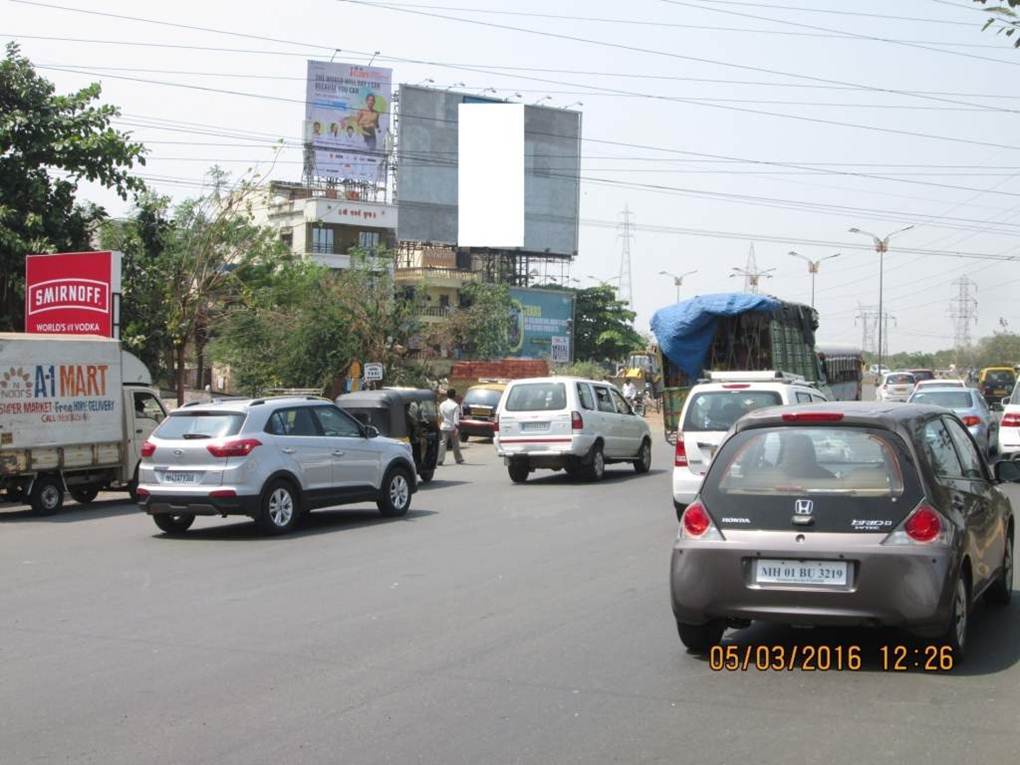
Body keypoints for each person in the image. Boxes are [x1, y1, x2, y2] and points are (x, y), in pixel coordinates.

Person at [439, 388, 464, 465]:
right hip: (452, 427)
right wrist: (456, 428)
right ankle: (458, 459)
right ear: (454, 396)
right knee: (455, 444)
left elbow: (440, 415)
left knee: (442, 444)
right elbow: (456, 418)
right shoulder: (455, 405)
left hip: (443, 426)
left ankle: (440, 459)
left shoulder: (442, 404)